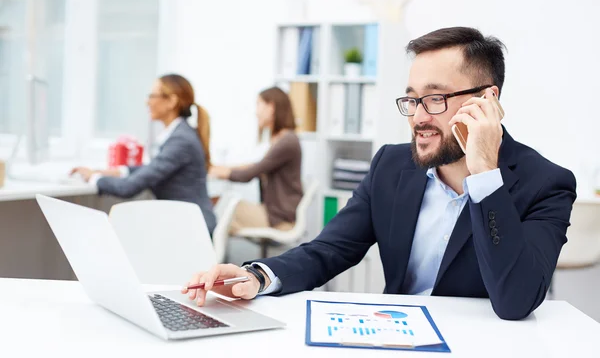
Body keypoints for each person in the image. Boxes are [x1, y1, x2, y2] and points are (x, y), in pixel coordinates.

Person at [182, 27, 577, 320]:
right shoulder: (391, 165)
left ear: (486, 100)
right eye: (412, 99)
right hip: (393, 338)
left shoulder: (546, 184)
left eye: (436, 98)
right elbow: (331, 249)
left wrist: (485, 176)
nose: (418, 118)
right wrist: (258, 276)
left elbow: (516, 302)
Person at [71, 74, 217, 234]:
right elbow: (152, 168)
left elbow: (128, 188)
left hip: (192, 228)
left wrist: (93, 178)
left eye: (152, 96)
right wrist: (114, 171)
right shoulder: (180, 134)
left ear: (172, 101)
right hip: (186, 222)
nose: (147, 102)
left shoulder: (180, 140)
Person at [209, 86, 303, 234]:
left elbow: (248, 174)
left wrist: (219, 171)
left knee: (222, 208)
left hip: (279, 218)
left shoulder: (287, 141)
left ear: (271, 107)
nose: (256, 112)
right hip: (274, 212)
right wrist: (218, 168)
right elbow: (256, 166)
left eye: (258, 104)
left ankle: (211, 255)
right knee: (219, 206)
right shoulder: (280, 139)